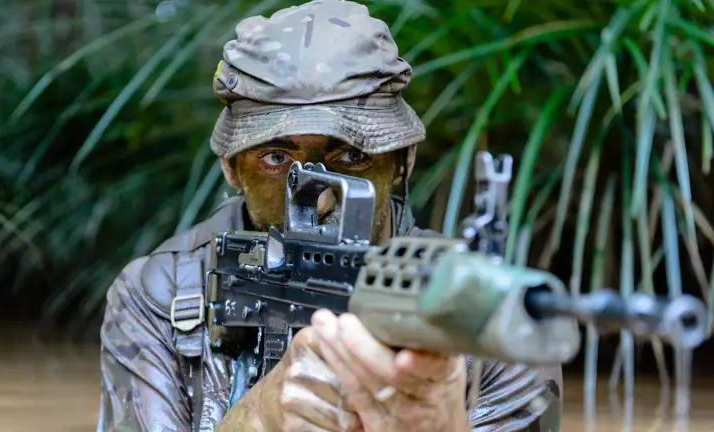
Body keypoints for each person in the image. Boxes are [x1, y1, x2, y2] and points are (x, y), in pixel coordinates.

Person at [97, 1, 562, 431]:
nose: (318, 200)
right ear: (231, 166)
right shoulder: (160, 294)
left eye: (353, 157)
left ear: (402, 161)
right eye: (277, 158)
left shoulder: (499, 315)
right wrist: (259, 418)